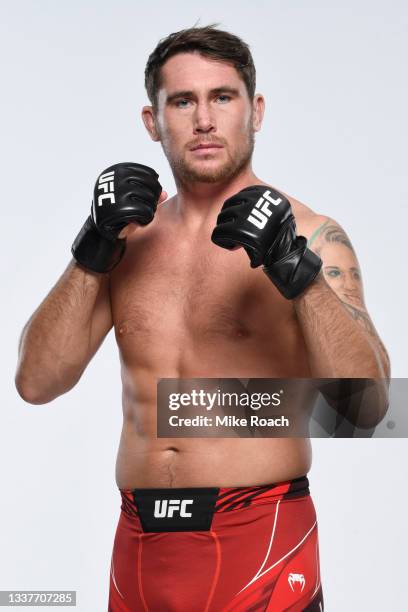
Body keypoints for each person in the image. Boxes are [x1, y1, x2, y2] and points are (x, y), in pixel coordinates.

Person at [15, 24, 390, 612]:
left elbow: (367, 407)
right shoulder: (126, 242)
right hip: (139, 545)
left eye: (223, 97)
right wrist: (92, 245)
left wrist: (297, 270)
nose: (205, 119)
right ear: (152, 121)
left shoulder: (314, 234)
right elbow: (36, 383)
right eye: (183, 101)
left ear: (256, 110)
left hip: (261, 538)